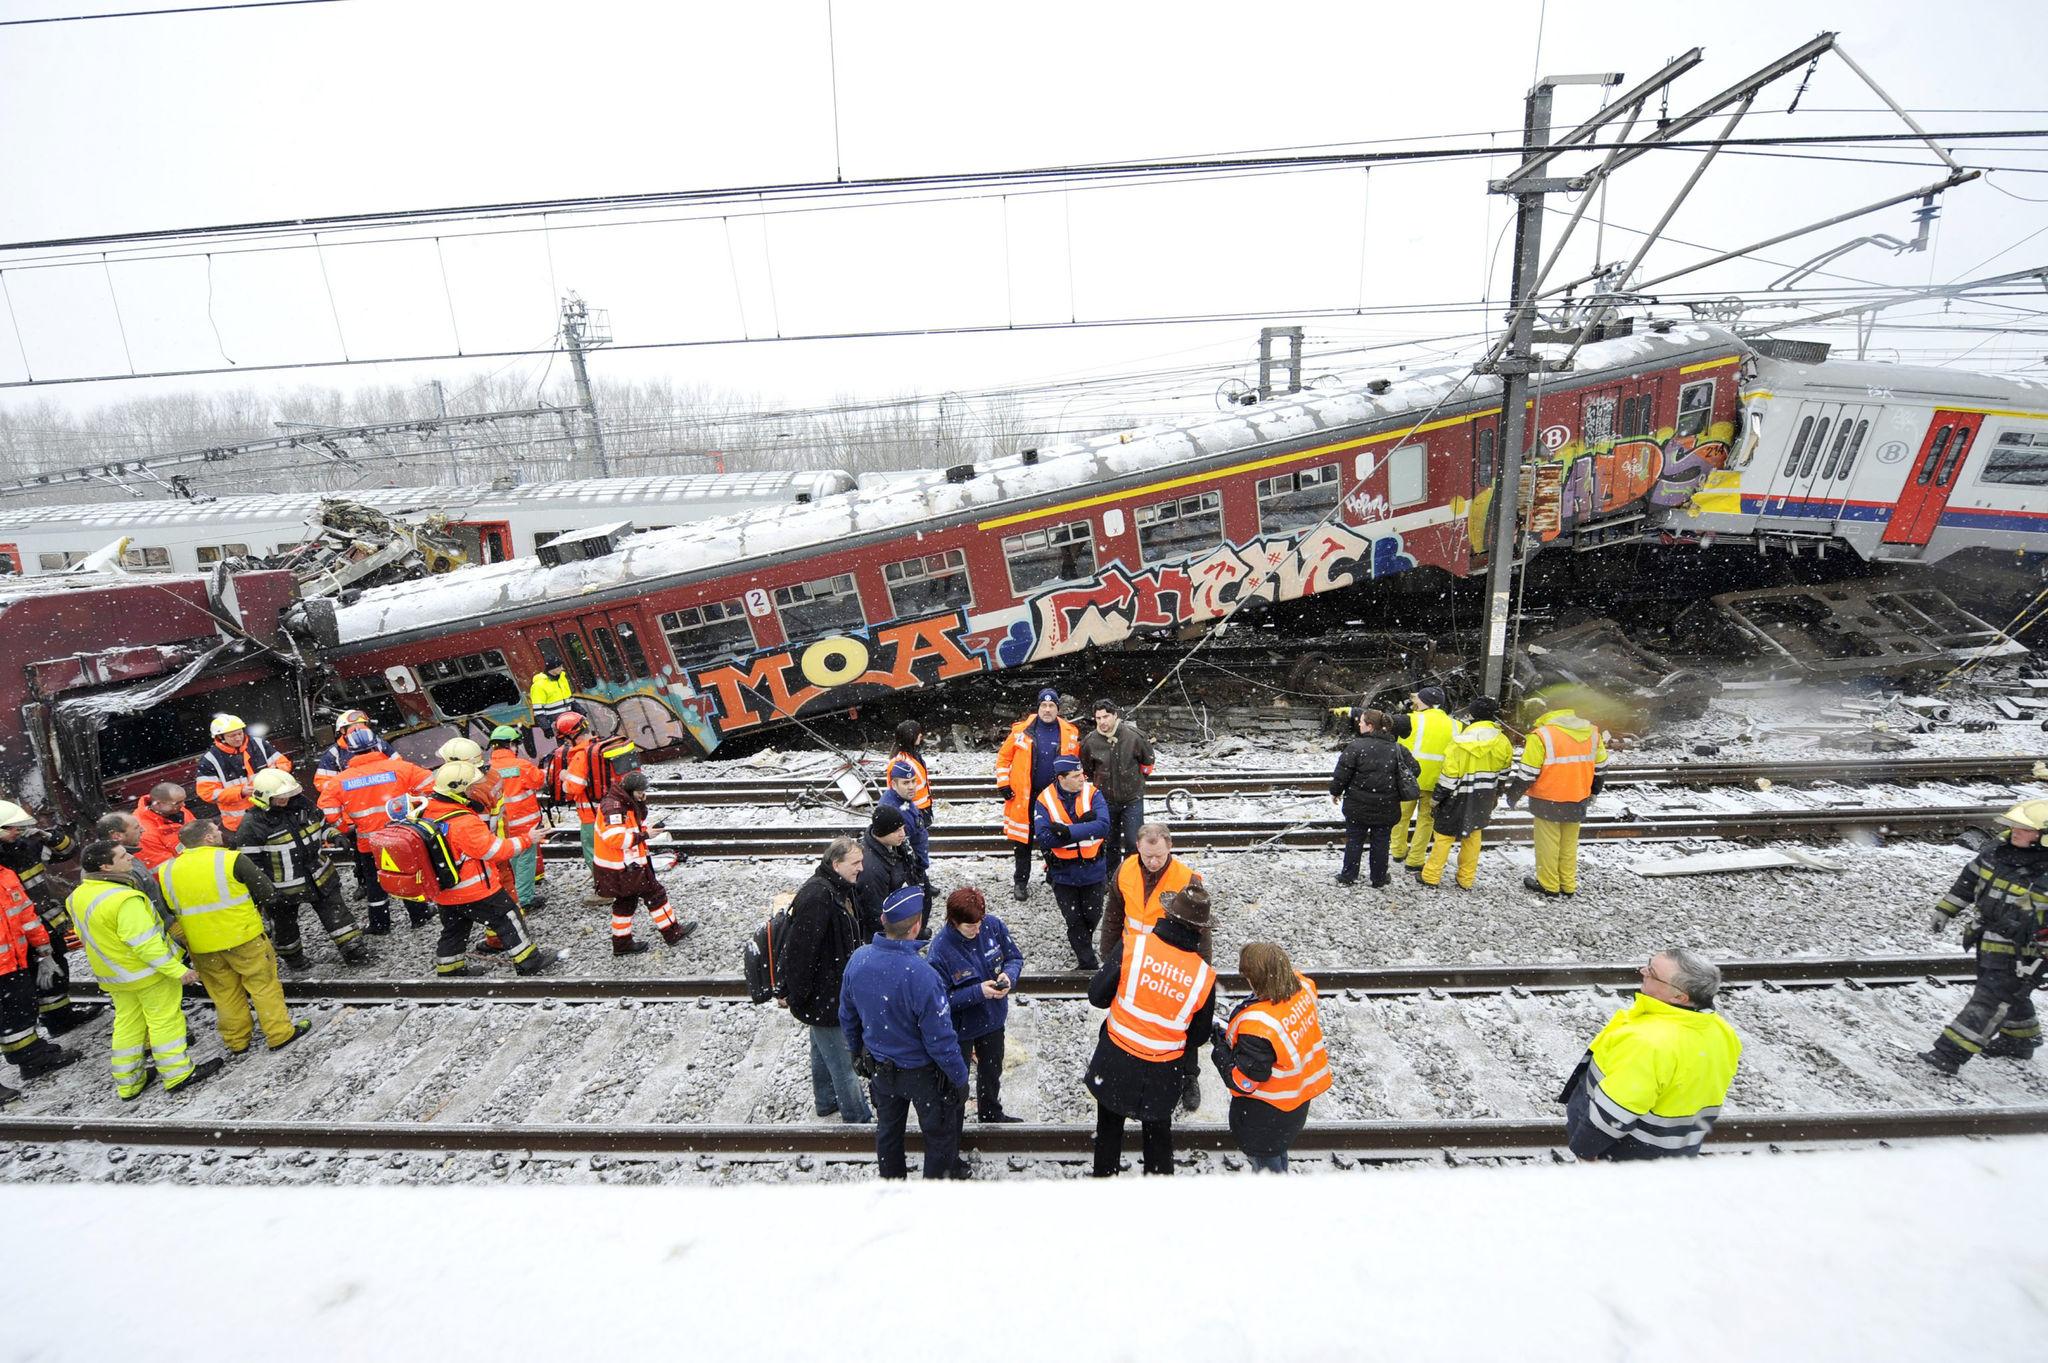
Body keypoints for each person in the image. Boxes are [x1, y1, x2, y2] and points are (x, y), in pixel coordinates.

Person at [68, 840, 222, 1099]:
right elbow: (146, 944)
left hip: (116, 976)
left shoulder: (78, 896)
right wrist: (177, 970)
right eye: (122, 856)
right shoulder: (124, 899)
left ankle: (129, 1082)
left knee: (128, 1025)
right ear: (105, 866)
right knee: (164, 1021)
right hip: (147, 974)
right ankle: (178, 1073)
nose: (129, 857)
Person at [1560, 948, 1742, 1160]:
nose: (1642, 971)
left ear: (1679, 997)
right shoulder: (1722, 1031)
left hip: (1624, 1155)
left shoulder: (1649, 1042)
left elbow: (1615, 1111)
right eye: (1648, 964)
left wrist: (1585, 1151)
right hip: (1677, 1150)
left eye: (1652, 972)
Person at [1085, 884, 1217, 1177]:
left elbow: (1097, 996)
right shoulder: (1203, 976)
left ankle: (1104, 1183)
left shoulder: (1134, 946)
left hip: (1116, 1057)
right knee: (1158, 1137)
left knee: (1108, 1132)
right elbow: (1198, 1036)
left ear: (1168, 915)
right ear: (1200, 930)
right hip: (1162, 1070)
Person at [839, 886, 970, 1180]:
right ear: (916, 927)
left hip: (881, 1070)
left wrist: (855, 1050)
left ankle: (892, 1188)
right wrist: (959, 1079)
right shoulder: (922, 975)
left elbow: (847, 1015)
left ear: (884, 922)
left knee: (888, 1131)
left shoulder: (858, 960)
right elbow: (940, 1040)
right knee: (938, 1137)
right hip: (922, 1075)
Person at [156, 819, 311, 1055]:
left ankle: (237, 1040)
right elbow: (267, 891)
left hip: (201, 945)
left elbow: (167, 909)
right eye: (216, 830)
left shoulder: (167, 870)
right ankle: (279, 1034)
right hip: (243, 937)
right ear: (207, 838)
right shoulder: (231, 859)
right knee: (263, 985)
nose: (220, 832)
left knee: (224, 994)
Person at [1921, 799, 2048, 1073]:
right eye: (2015, 825)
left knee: (1991, 999)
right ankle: (2020, 1040)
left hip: (2024, 952)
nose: (2016, 831)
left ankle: (1949, 1054)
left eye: (2026, 829)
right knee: (2007, 992)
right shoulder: (1995, 853)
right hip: (1987, 938)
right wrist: (1946, 909)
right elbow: (1968, 881)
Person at [416, 761, 563, 978]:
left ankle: (449, 969)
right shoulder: (464, 821)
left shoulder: (426, 810)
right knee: (508, 918)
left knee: (454, 930)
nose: (477, 790)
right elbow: (496, 851)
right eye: (472, 787)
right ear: (460, 789)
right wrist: (527, 839)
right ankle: (529, 962)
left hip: (446, 891)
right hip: (474, 889)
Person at [1209, 942, 1331, 1172]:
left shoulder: (1259, 1026)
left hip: (1266, 1114)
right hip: (1295, 1103)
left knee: (1267, 1163)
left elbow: (1243, 1081)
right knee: (1277, 1151)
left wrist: (1220, 1051)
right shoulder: (1301, 987)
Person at [232, 768, 370, 969]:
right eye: (280, 797)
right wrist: (265, 892)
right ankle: (295, 961)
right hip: (282, 888)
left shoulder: (304, 806)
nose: (285, 799)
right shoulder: (252, 824)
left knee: (338, 915)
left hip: (320, 875)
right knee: (285, 927)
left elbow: (321, 826)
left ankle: (355, 952)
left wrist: (333, 835)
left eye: (288, 794)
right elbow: (250, 864)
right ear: (264, 798)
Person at [779, 836, 874, 1125]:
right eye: (855, 863)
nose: (861, 868)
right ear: (836, 864)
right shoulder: (819, 897)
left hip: (831, 989)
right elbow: (800, 952)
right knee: (844, 1062)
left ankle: (825, 1101)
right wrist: (794, 993)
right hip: (826, 994)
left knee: (823, 1047)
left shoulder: (839, 888)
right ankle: (858, 1119)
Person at [320, 726, 435, 933]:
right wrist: (417, 810)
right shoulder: (401, 768)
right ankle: (419, 916)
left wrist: (344, 828)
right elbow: (429, 784)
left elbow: (327, 808)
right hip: (401, 837)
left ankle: (380, 924)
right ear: (375, 746)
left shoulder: (341, 780)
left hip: (368, 843)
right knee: (406, 875)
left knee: (374, 882)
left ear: (352, 751)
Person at [0, 801, 99, 1037]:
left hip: (42, 921)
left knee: (55, 968)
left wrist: (49, 836)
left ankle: (60, 1017)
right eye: (12, 828)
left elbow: (67, 851)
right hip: (19, 931)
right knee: (37, 974)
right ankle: (55, 1020)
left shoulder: (25, 845)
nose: (18, 831)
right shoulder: (5, 859)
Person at [926, 886, 1025, 1124]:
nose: (977, 930)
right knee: (956, 1082)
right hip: (960, 1029)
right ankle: (953, 1128)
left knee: (992, 1072)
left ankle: (990, 1113)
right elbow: (941, 1001)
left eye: (979, 923)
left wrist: (1009, 976)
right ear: (953, 921)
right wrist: (978, 991)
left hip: (992, 1020)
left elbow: (1014, 957)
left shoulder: (992, 926)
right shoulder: (939, 951)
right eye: (971, 926)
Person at [1504, 704, 1612, 897]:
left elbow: (1528, 772)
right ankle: (1568, 884)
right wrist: (1594, 791)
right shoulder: (1592, 732)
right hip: (1578, 797)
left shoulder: (1542, 736)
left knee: (1548, 844)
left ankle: (1549, 885)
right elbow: (1601, 767)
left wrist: (1513, 795)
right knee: (1569, 845)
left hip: (1548, 798)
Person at [593, 769, 697, 955]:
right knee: (656, 895)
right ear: (631, 790)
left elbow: (628, 828)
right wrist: (645, 835)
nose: (644, 795)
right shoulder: (615, 808)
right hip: (626, 867)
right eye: (641, 792)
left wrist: (644, 822)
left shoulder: (620, 802)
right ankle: (672, 933)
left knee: (625, 902)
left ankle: (621, 943)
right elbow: (616, 839)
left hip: (618, 867)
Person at [1421, 696, 1516, 890]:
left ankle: (1431, 877)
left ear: (1472, 716)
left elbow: (1449, 775)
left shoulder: (1459, 742)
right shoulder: (1502, 741)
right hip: (1484, 796)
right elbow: (1504, 772)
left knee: (1444, 836)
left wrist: (1437, 798)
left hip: (1457, 796)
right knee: (1472, 836)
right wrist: (1496, 793)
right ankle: (1466, 879)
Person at [995, 687, 1080, 901]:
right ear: (1038, 707)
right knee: (1022, 841)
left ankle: (1055, 876)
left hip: (1054, 797)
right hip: (1026, 797)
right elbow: (1003, 758)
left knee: (1055, 836)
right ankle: (1021, 882)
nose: (1047, 709)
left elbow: (1076, 765)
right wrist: (1004, 783)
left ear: (1058, 709)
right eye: (1044, 705)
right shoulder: (1021, 731)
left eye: (1052, 706)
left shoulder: (1070, 732)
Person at [0, 865, 76, 1090]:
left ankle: (32, 1057)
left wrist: (43, 946)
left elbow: (26, 915)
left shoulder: (5, 874)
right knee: (12, 1015)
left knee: (21, 1012)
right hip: (7, 962)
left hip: (14, 960)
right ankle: (31, 1058)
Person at [1033, 754, 1111, 970]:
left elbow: (1104, 826)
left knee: (1093, 916)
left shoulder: (1093, 793)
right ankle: (1088, 962)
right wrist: (1086, 829)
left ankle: (1081, 943)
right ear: (1061, 778)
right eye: (1076, 776)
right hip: (1063, 873)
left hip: (1093, 870)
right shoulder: (1044, 799)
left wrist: (1068, 831)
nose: (1082, 779)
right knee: (1074, 919)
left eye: (1082, 774)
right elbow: (1045, 838)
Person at [1329, 708, 1419, 888]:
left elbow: (1342, 774)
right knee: (1381, 841)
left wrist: (1336, 791)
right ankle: (1378, 878)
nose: (1359, 724)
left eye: (1362, 722)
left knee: (1354, 839)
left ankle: (1348, 875)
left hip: (1357, 805)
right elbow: (1414, 770)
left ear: (1370, 726)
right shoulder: (1397, 749)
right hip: (1386, 805)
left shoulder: (1355, 747)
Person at [1099, 824, 1205, 964]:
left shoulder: (1187, 880)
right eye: (1148, 856)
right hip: (1131, 955)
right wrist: (1108, 957)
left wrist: (1201, 969)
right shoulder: (1124, 870)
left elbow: (1201, 933)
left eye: (1159, 856)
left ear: (1170, 847)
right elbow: (1113, 916)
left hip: (1166, 963)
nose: (1153, 862)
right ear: (1138, 846)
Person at [1080, 697, 1156, 872]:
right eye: (1098, 718)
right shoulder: (1090, 741)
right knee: (1108, 842)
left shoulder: (1134, 736)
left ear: (1115, 715)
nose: (1102, 722)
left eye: (1106, 717)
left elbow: (1148, 763)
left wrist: (1136, 782)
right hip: (1105, 801)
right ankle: (1111, 878)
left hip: (1132, 799)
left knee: (1133, 841)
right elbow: (1087, 770)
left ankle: (1132, 875)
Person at [1390, 686, 1459, 873]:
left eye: (1418, 699)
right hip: (1436, 780)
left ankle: (1397, 850)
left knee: (1401, 815)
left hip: (1409, 778)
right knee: (1426, 820)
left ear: (1424, 702)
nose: (1415, 702)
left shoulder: (1412, 719)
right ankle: (1415, 860)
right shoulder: (1455, 725)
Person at [192, 712, 292, 834]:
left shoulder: (258, 744)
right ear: (220, 737)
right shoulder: (210, 760)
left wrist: (272, 777)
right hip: (240, 824)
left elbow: (284, 764)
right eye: (232, 736)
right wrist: (240, 792)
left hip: (272, 814)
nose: (238, 738)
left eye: (240, 733)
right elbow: (207, 793)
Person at [486, 725, 548, 912]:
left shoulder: (487, 769)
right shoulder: (521, 766)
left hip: (502, 825)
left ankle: (515, 893)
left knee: (512, 857)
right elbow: (539, 781)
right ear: (511, 744)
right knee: (526, 860)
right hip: (525, 822)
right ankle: (524, 899)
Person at [853, 805, 921, 939]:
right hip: (890, 932)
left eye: (903, 828)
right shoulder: (872, 869)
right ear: (882, 832)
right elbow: (875, 914)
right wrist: (894, 937)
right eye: (897, 830)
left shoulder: (893, 845)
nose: (903, 834)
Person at [311, 710, 394, 805]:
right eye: (354, 726)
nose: (359, 729)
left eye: (362, 725)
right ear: (343, 730)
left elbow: (398, 768)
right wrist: (347, 787)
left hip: (385, 796)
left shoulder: (379, 744)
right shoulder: (334, 753)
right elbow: (322, 783)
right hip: (354, 802)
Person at [877, 761, 930, 874]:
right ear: (894, 785)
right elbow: (899, 849)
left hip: (917, 861)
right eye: (905, 783)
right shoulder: (892, 809)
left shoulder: (901, 796)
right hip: (910, 867)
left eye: (913, 781)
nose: (911, 787)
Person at [888, 720, 934, 827]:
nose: (921, 735)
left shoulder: (912, 756)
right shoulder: (902, 762)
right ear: (911, 736)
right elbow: (899, 793)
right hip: (914, 810)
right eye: (918, 733)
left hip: (920, 808)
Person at [133, 784, 191, 868]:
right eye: (178, 803)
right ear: (158, 804)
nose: (183, 805)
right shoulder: (145, 834)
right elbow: (164, 869)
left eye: (183, 800)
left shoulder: (175, 809)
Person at [529, 662, 575, 739]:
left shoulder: (562, 678)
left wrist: (581, 711)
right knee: (567, 745)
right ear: (553, 669)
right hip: (557, 723)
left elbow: (569, 698)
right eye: (560, 667)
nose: (562, 669)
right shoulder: (538, 686)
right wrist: (546, 728)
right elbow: (538, 711)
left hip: (571, 720)